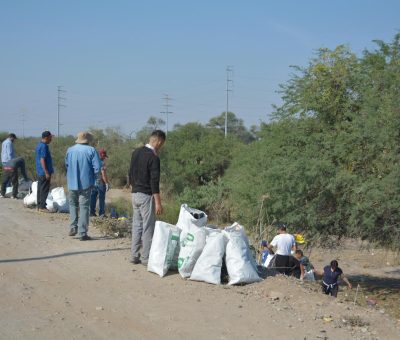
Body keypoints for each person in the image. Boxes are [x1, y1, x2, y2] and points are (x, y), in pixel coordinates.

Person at [129, 130, 166, 265]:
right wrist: (158, 203)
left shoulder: (136, 152)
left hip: (135, 194)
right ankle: (146, 258)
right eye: (162, 144)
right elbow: (154, 182)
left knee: (137, 225)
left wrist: (133, 188)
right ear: (159, 141)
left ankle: (134, 255)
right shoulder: (154, 158)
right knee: (148, 227)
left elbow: (130, 173)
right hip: (146, 195)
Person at [65, 131, 101, 241]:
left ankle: (73, 227)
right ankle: (82, 232)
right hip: (86, 183)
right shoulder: (91, 150)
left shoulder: (70, 150)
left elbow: (66, 165)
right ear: (88, 140)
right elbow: (97, 167)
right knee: (84, 207)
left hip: (71, 182)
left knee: (72, 205)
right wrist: (97, 180)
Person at [1, 133, 29, 198]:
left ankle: (3, 194)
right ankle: (13, 195)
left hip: (5, 163)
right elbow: (9, 153)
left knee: (5, 180)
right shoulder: (9, 143)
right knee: (15, 181)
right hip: (10, 162)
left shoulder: (4, 142)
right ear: (11, 137)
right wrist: (26, 178)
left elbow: (2, 152)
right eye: (14, 139)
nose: (14, 140)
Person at [35, 131, 54, 212]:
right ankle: (42, 207)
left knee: (40, 188)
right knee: (44, 189)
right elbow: (42, 159)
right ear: (46, 137)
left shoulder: (39, 145)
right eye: (50, 137)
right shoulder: (44, 146)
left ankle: (39, 206)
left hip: (40, 171)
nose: (51, 139)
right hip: (44, 172)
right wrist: (46, 172)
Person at [90, 148, 110, 217]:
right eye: (104, 156)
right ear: (102, 156)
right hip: (101, 183)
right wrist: (107, 183)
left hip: (93, 182)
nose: (105, 158)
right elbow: (103, 174)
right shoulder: (102, 163)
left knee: (93, 197)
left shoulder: (93, 162)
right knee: (101, 198)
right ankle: (101, 213)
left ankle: (92, 212)